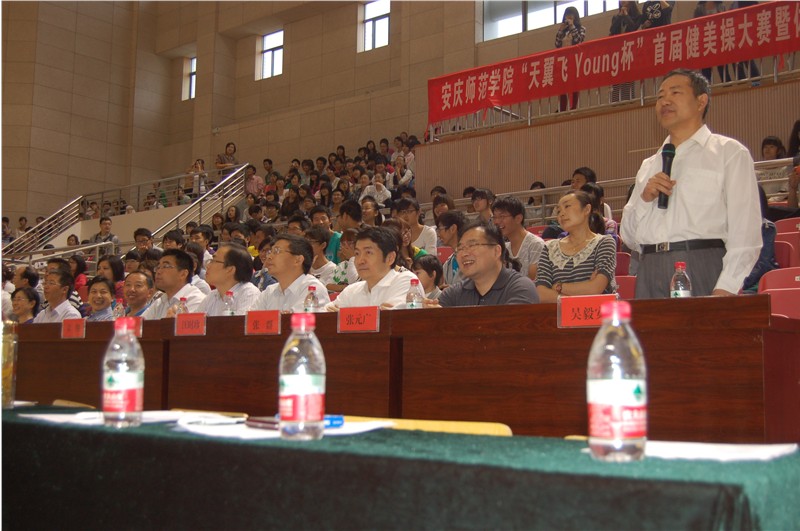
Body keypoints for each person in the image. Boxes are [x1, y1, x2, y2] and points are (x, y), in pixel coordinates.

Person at [620, 69, 761, 298]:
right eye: (660, 96)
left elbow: (746, 232)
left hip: (702, 264)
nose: (665, 101)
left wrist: (726, 288)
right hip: (649, 269)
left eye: (675, 93)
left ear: (701, 101)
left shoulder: (729, 153)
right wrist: (645, 200)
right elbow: (629, 237)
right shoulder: (649, 165)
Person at [432, 221, 539, 307]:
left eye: (472, 245)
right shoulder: (453, 294)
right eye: (460, 248)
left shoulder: (521, 288)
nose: (464, 253)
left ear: (496, 251)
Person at [537, 191, 617, 303]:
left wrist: (558, 287)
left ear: (586, 209)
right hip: (560, 313)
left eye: (567, 206)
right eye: (559, 211)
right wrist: (576, 299)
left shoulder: (604, 242)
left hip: (597, 312)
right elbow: (541, 293)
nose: (561, 214)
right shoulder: (549, 247)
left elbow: (595, 288)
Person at [326, 227, 419, 310]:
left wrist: (345, 315)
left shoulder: (406, 281)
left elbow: (392, 318)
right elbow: (325, 314)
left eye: (368, 253)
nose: (360, 261)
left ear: (390, 258)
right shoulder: (352, 290)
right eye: (357, 253)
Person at [250, 235, 330, 312]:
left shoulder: (313, 289)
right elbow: (250, 319)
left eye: (277, 251)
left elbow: (298, 319)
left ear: (298, 260)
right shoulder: (269, 292)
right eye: (270, 252)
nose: (269, 257)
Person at [196, 244, 260, 316]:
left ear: (230, 269)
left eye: (213, 261)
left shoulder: (249, 293)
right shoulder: (212, 296)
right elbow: (197, 321)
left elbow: (242, 322)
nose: (207, 266)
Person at [142, 249, 206, 319]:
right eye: (158, 267)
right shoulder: (160, 302)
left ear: (183, 274)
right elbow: (141, 323)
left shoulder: (196, 300)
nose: (158, 272)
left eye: (165, 266)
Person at [492, 196, 545, 280]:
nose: (496, 221)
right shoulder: (504, 248)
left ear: (518, 218)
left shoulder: (536, 245)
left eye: (502, 216)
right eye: (495, 217)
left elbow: (534, 281)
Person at [742, 187, 779, 293]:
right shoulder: (734, 228)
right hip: (741, 279)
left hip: (761, 278)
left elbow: (764, 264)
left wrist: (742, 283)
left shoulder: (767, 227)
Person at [555, 6, 585, 112]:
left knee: (574, 84)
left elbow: (578, 40)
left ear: (575, 17)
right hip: (563, 61)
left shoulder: (581, 29)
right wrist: (560, 30)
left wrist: (572, 26)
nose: (568, 17)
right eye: (567, 15)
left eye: (571, 15)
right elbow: (557, 44)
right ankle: (562, 108)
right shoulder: (564, 30)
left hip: (574, 60)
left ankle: (573, 107)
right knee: (562, 85)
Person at [609, 2, 640, 102]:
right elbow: (612, 30)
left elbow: (633, 27)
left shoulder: (637, 16)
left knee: (628, 78)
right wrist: (620, 16)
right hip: (617, 52)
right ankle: (615, 102)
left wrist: (626, 15)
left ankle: (629, 101)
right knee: (616, 78)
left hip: (630, 50)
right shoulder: (616, 17)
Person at [436, 210, 467, 287]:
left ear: (452, 228)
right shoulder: (448, 262)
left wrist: (453, 290)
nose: (438, 234)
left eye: (440, 229)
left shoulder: (470, 256)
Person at [327, 228, 359, 293]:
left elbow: (354, 283)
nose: (346, 247)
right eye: (343, 244)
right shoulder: (342, 265)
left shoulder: (363, 264)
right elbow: (328, 285)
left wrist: (352, 257)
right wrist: (344, 287)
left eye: (350, 243)